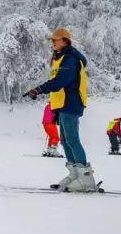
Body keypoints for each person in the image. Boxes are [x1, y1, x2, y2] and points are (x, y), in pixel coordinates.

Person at [24, 27, 94, 192]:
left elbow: (59, 82)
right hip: (62, 105)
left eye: (56, 40)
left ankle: (85, 178)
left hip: (71, 103)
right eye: (52, 40)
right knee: (65, 140)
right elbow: (58, 84)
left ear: (65, 41)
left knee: (72, 140)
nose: (53, 43)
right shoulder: (61, 59)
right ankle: (75, 174)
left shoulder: (69, 59)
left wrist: (39, 89)